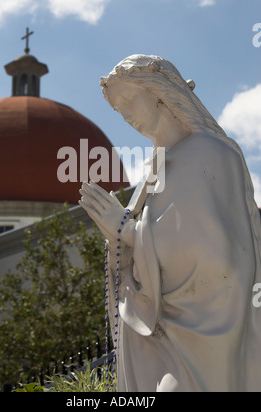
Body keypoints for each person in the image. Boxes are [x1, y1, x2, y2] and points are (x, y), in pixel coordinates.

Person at [79, 54, 261, 392]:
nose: (127, 115)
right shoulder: (155, 167)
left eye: (129, 100)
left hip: (208, 330)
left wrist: (126, 229)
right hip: (163, 327)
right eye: (119, 110)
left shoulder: (209, 152)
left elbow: (221, 254)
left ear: (159, 92)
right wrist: (118, 235)